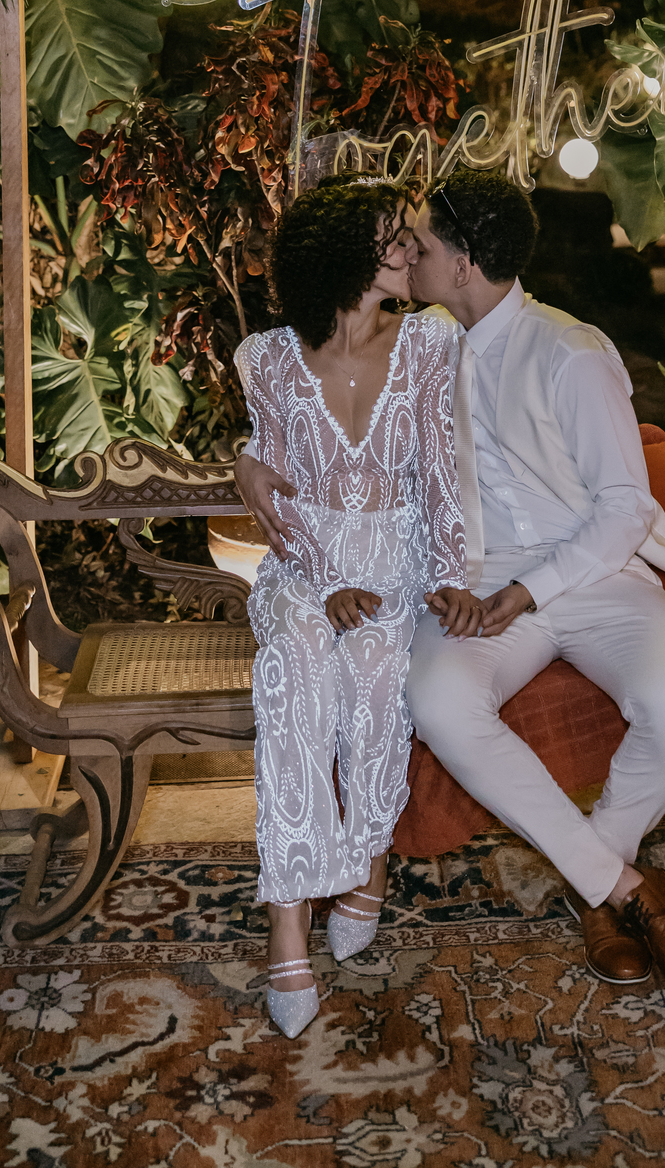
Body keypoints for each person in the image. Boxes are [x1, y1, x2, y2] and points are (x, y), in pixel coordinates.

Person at [235, 166, 665, 1010]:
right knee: (436, 698)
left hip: (590, 573)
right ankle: (628, 892)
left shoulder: (572, 352)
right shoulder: (420, 339)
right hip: (469, 580)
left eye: (420, 243)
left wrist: (534, 590)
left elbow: (624, 510)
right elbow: (307, 395)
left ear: (461, 265)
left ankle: (600, 883)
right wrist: (247, 460)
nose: (408, 252)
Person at [234, 176, 476, 1038]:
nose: (410, 250)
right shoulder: (266, 359)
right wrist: (321, 575)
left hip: (394, 566)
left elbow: (439, 472)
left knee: (376, 675)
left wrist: (449, 574)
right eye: (392, 239)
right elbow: (273, 489)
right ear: (342, 257)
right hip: (301, 568)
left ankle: (368, 861)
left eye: (408, 237)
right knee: (294, 673)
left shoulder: (430, 343)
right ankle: (288, 922)